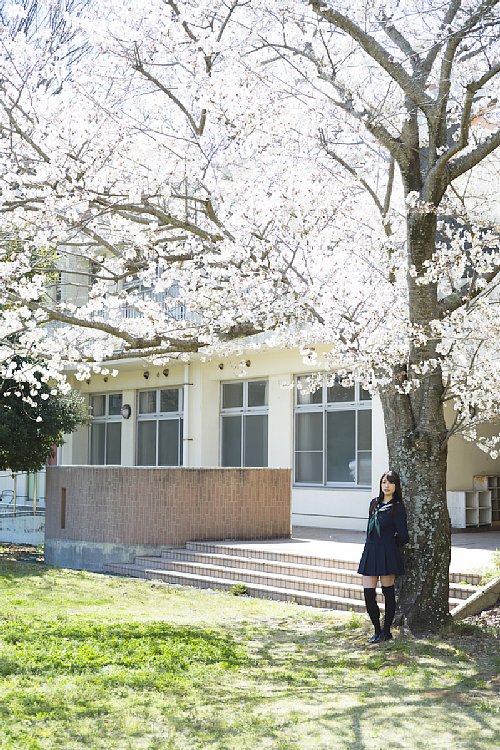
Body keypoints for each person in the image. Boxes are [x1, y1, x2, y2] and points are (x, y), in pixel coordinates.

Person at [357, 470, 409, 643]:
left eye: (390, 482)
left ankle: (386, 631)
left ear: (396, 486)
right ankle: (377, 630)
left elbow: (403, 535)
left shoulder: (397, 507)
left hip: (387, 552)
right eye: (384, 482)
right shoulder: (374, 503)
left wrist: (391, 546)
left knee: (388, 593)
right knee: (368, 593)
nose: (386, 486)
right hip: (371, 551)